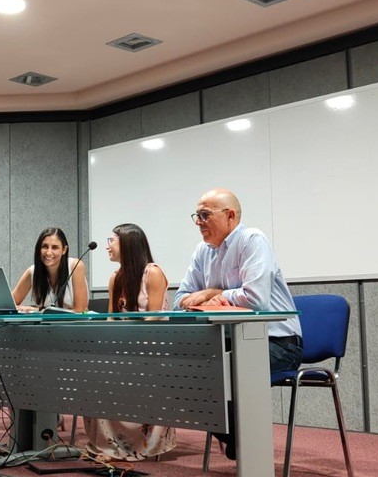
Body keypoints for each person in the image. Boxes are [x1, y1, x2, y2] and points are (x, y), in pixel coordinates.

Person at [173, 188, 302, 459]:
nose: (198, 222)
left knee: (210, 373)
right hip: (229, 342)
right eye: (197, 216)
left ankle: (248, 447)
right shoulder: (202, 251)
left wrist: (213, 293)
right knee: (179, 371)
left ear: (230, 215)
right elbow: (179, 300)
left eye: (205, 215)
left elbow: (256, 299)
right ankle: (243, 440)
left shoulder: (252, 240)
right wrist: (209, 297)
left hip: (278, 343)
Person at [81, 223, 177, 461]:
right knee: (90, 373)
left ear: (127, 244)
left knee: (111, 375)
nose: (107, 246)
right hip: (124, 348)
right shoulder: (115, 278)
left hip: (151, 352)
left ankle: (127, 447)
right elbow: (111, 319)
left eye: (111, 241)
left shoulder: (152, 273)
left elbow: (155, 319)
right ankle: (106, 445)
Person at [11, 227, 88, 313]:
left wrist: (38, 310)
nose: (48, 252)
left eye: (55, 247)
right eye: (44, 246)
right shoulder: (32, 271)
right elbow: (9, 305)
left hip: (75, 321)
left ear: (64, 250)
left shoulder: (76, 266)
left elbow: (80, 310)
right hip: (45, 322)